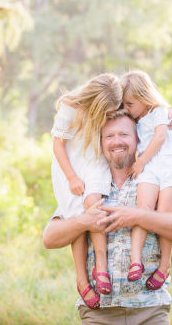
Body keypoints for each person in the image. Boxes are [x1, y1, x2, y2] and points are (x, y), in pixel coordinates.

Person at [43, 110, 172, 324]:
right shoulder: (88, 185)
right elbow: (50, 238)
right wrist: (86, 221)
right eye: (109, 136)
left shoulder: (155, 182)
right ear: (100, 142)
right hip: (98, 314)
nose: (116, 141)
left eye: (124, 135)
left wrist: (138, 216)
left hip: (151, 311)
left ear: (138, 139)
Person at [51, 73, 123, 309]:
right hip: (71, 162)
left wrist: (169, 114)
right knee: (79, 217)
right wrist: (72, 177)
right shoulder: (70, 107)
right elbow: (57, 145)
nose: (109, 116)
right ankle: (81, 279)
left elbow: (142, 104)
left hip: (95, 158)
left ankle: (101, 266)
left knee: (94, 202)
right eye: (106, 113)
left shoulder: (115, 98)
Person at [120, 70, 172, 291]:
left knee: (163, 214)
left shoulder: (160, 111)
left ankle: (164, 265)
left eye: (130, 104)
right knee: (143, 209)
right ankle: (135, 261)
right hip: (151, 167)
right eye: (124, 104)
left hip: (171, 166)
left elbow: (160, 136)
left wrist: (140, 162)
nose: (127, 108)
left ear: (144, 97)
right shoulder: (135, 119)